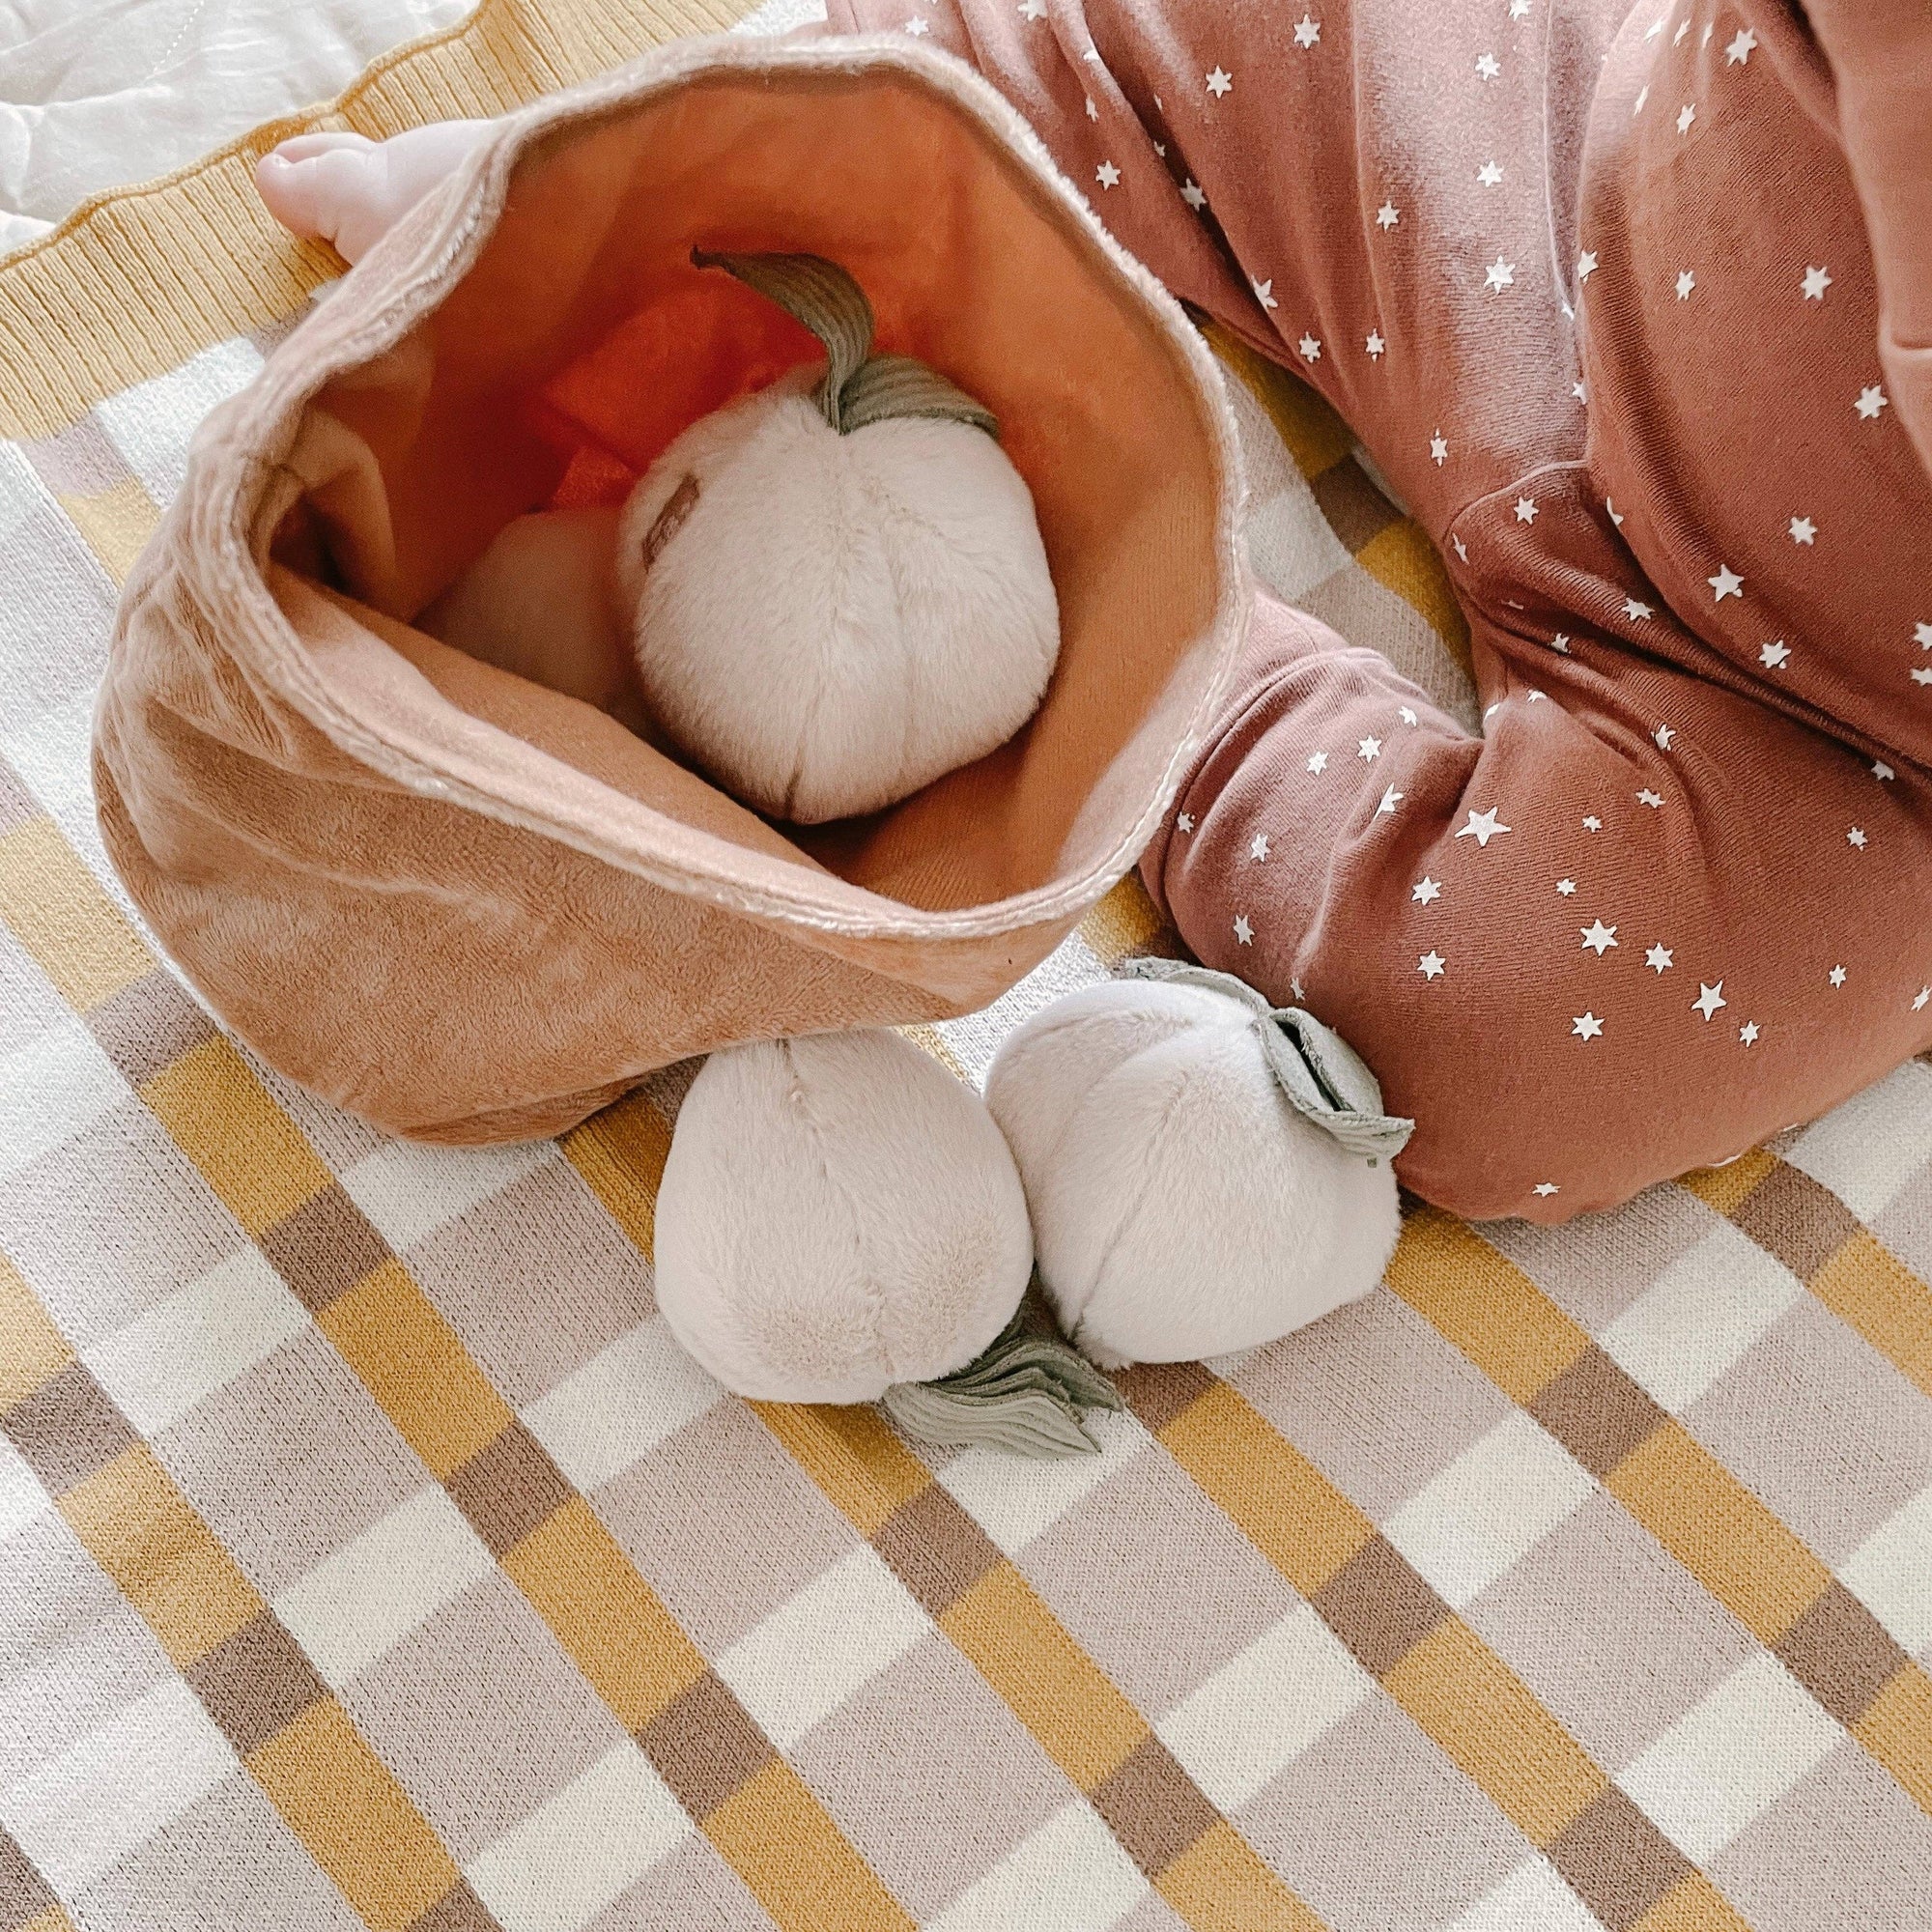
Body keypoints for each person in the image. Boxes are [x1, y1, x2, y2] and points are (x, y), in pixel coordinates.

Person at [257, 0, 1932, 1218]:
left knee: (1501, 1039)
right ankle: (659, 205)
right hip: (1610, 188)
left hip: (1836, 730)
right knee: (1150, 43)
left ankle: (1106, 611)